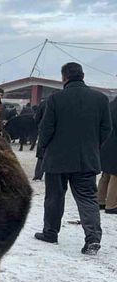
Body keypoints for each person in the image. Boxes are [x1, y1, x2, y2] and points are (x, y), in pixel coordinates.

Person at [34, 62, 112, 255]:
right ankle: (93, 237)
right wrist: (94, 146)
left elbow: (46, 129)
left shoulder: (55, 99)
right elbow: (106, 129)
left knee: (54, 197)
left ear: (64, 77)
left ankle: (50, 232)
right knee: (87, 199)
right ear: (83, 75)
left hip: (56, 159)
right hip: (86, 159)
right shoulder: (100, 99)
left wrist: (43, 148)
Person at [98, 97, 117, 215]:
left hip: (105, 144)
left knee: (105, 174)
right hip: (115, 145)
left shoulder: (110, 105)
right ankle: (112, 205)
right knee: (115, 176)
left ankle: (99, 200)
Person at [32, 98, 48, 181]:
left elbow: (36, 119)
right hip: (59, 133)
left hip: (44, 131)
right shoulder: (63, 102)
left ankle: (38, 175)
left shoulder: (43, 103)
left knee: (41, 155)